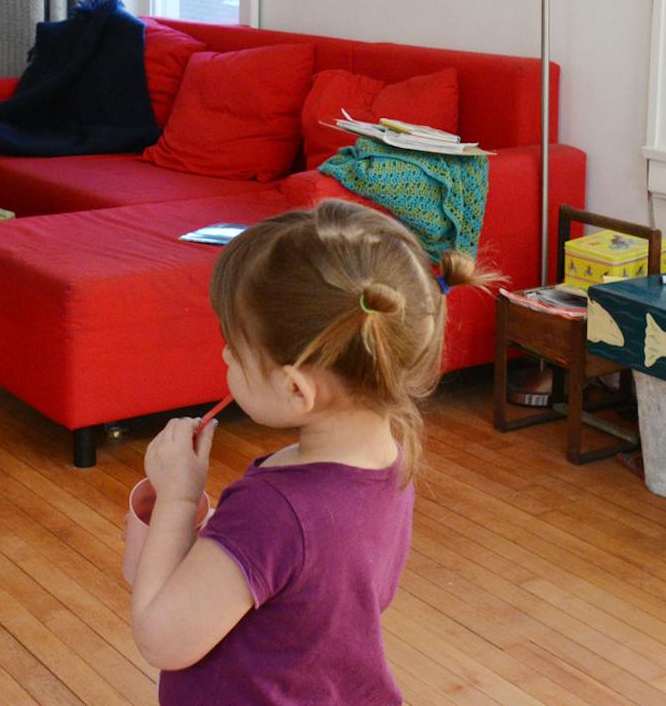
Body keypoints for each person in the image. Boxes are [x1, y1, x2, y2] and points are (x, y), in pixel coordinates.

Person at [128, 201, 484, 704]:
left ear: (296, 389)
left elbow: (160, 639)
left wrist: (178, 499)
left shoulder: (272, 510)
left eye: (235, 346)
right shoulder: (389, 458)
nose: (225, 355)